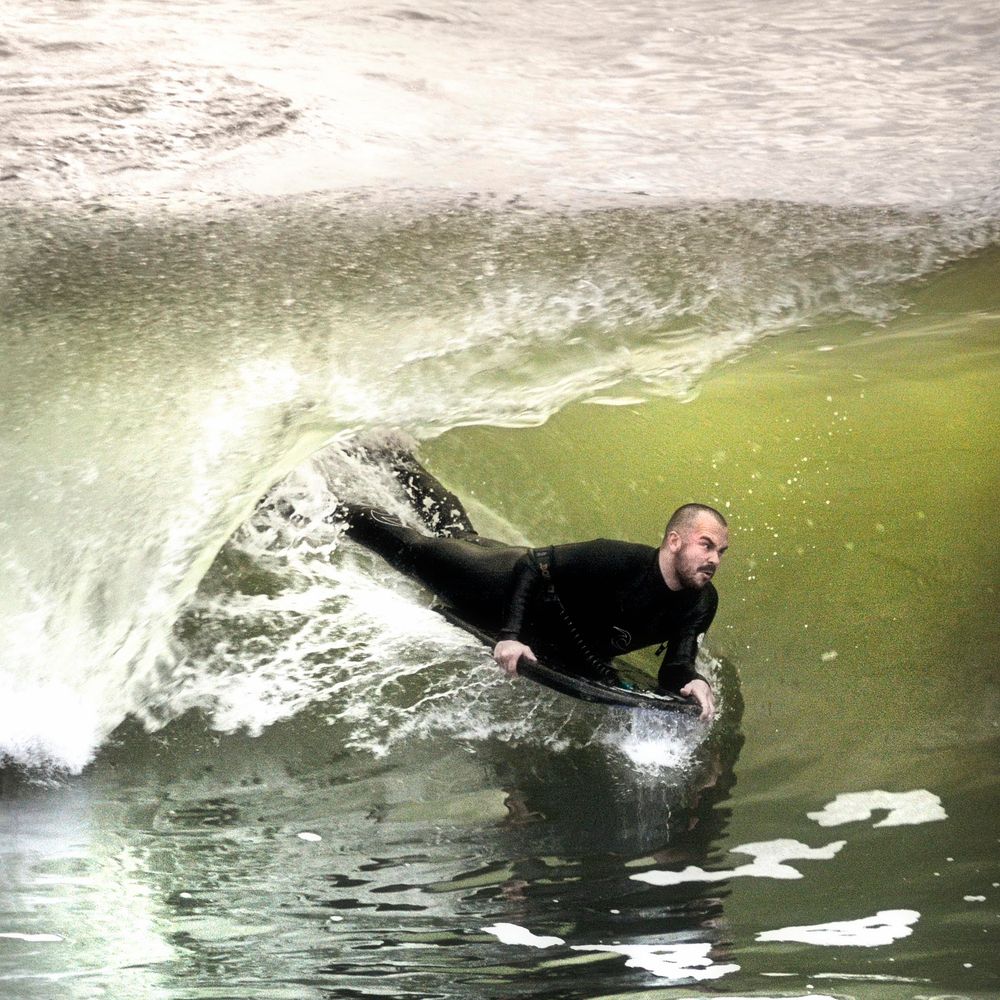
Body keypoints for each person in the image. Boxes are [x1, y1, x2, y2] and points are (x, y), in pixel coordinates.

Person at [331, 445, 728, 721]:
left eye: (720, 552)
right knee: (414, 547)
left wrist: (691, 681)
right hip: (494, 585)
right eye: (706, 545)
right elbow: (533, 564)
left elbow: (675, 665)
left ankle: (394, 455)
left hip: (546, 620)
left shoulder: (700, 602)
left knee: (461, 534)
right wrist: (510, 634)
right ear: (674, 541)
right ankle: (316, 501)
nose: (713, 559)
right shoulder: (616, 559)